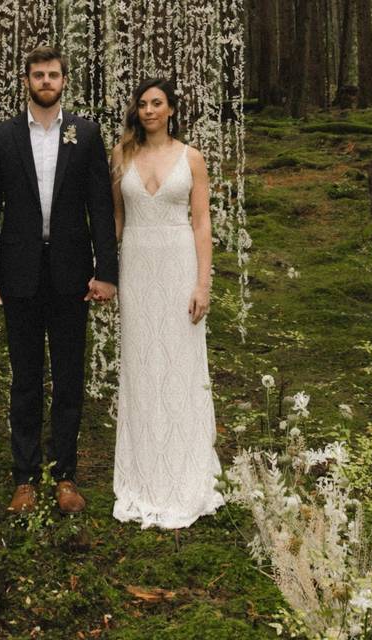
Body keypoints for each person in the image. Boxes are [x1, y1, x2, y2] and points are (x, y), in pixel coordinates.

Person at [0, 46, 119, 515]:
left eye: (53, 74)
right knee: (26, 379)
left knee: (70, 378)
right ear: (27, 81)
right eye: (38, 74)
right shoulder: (2, 136)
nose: (46, 81)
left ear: (64, 80)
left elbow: (100, 208)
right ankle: (24, 478)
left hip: (72, 275)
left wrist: (107, 273)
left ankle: (66, 476)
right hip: (18, 276)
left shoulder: (87, 134)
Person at [110, 78, 224, 529]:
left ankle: (184, 469)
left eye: (157, 103)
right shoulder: (121, 157)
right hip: (137, 266)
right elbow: (115, 221)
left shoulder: (191, 157)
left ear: (172, 109)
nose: (149, 110)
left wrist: (202, 283)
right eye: (143, 104)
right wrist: (104, 273)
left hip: (179, 265)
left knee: (179, 362)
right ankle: (143, 471)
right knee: (141, 363)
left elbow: (200, 222)